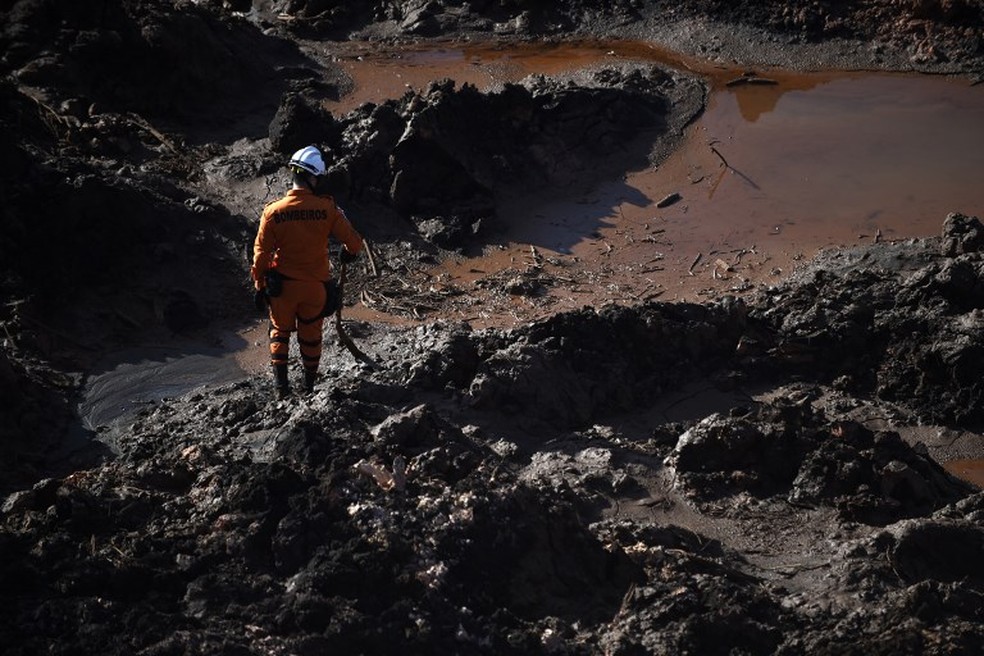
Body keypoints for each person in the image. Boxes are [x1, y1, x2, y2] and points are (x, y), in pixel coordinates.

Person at [251, 145, 364, 398]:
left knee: (279, 331)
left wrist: (259, 285)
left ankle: (281, 389)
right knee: (311, 336)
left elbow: (261, 254)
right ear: (314, 178)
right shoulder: (328, 209)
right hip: (316, 289)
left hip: (283, 288)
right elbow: (354, 243)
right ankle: (309, 388)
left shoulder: (273, 211)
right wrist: (347, 254)